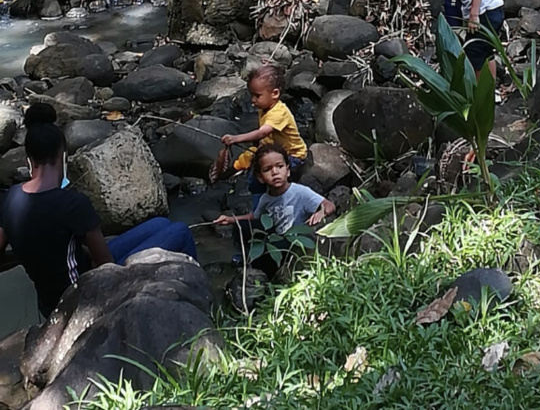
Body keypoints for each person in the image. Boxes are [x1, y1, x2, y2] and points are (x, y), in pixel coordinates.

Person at [0, 104, 196, 317]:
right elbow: (106, 266)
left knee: (160, 224)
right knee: (181, 232)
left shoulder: (10, 198)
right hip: (84, 297)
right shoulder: (73, 204)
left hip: (51, 300)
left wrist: (31, 252)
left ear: (29, 161)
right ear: (63, 157)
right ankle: (198, 305)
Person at [214, 144, 334, 274]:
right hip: (275, 234)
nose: (275, 172)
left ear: (288, 170)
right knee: (243, 227)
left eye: (279, 166)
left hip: (293, 240)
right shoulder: (266, 198)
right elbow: (255, 217)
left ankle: (262, 269)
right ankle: (248, 256)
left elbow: (329, 205)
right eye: (267, 169)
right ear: (260, 178)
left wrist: (322, 212)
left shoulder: (300, 192)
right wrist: (230, 219)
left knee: (273, 249)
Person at [221, 65, 308, 209]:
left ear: (275, 93)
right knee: (249, 159)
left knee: (262, 176)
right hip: (274, 149)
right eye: (252, 95)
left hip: (292, 155)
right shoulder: (265, 107)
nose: (253, 100)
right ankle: (228, 173)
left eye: (257, 96)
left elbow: (263, 132)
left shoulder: (278, 113)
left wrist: (236, 138)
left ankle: (263, 205)